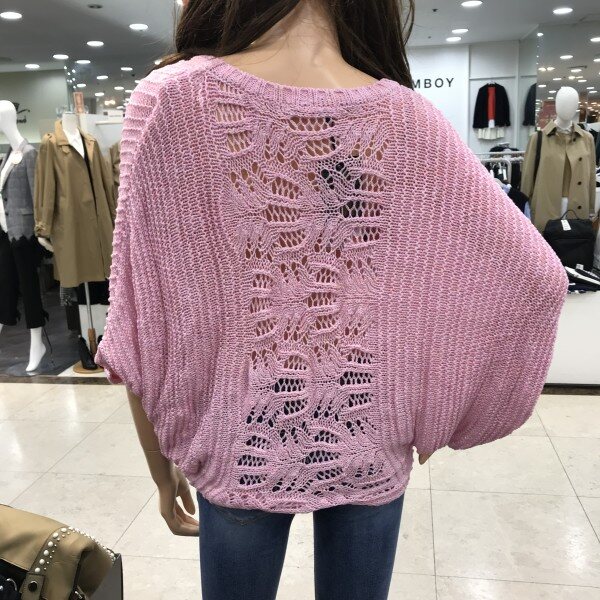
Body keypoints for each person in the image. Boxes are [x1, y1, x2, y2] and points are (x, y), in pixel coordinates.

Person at [94, 1, 568, 599]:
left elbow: (140, 309)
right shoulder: (406, 116)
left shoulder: (172, 100)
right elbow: (536, 276)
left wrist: (160, 466)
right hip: (369, 427)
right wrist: (433, 407)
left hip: (242, 437)